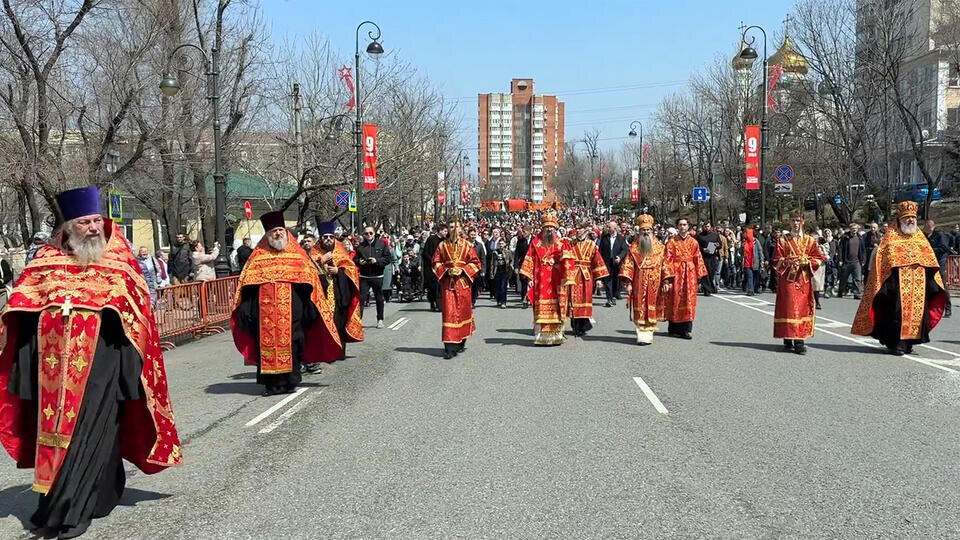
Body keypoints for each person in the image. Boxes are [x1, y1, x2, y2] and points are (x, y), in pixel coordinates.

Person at [0, 186, 181, 538]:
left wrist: (131, 369)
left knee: (87, 434)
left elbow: (137, 312)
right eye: (85, 222)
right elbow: (19, 306)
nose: (94, 227)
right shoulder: (44, 262)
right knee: (52, 438)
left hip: (101, 366)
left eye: (97, 219)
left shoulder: (120, 260)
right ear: (68, 227)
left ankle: (71, 512)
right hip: (49, 371)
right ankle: (68, 500)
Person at [231, 211, 341, 395]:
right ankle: (271, 385)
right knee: (265, 346)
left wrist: (309, 306)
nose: (278, 234)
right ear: (267, 234)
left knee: (293, 344)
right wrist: (246, 309)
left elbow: (311, 280)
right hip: (263, 315)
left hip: (293, 310)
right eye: (274, 231)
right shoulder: (257, 258)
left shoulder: (298, 256)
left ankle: (290, 382)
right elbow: (247, 286)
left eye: (281, 230)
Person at [853, 202, 949, 355]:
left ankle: (909, 343)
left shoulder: (920, 239)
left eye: (912, 217)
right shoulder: (891, 237)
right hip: (896, 285)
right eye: (907, 217)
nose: (910, 220)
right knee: (896, 314)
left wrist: (932, 282)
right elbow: (883, 260)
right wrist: (887, 284)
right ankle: (896, 344)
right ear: (900, 219)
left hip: (919, 285)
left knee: (918, 316)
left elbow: (930, 260)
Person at [309, 220, 363, 366]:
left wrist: (338, 271)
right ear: (320, 238)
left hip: (339, 292)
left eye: (330, 237)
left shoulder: (340, 251)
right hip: (321, 294)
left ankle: (338, 351)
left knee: (338, 321)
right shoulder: (313, 252)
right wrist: (320, 261)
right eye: (325, 237)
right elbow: (306, 271)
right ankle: (324, 352)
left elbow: (351, 269)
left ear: (334, 238)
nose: (328, 240)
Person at [772, 212, 825, 355]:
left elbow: (819, 258)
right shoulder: (783, 240)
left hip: (803, 280)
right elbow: (776, 260)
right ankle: (788, 336)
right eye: (793, 221)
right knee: (789, 307)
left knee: (801, 308)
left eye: (798, 221)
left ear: (802, 222)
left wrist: (807, 262)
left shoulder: (809, 240)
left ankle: (799, 341)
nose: (796, 223)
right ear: (789, 223)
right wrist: (789, 262)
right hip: (788, 280)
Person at [519, 211, 575, 346]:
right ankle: (541, 336)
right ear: (542, 228)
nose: (549, 229)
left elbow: (569, 261)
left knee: (557, 307)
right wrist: (529, 277)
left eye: (552, 227)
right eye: (547, 227)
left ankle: (557, 335)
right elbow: (529, 260)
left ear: (555, 228)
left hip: (557, 280)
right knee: (541, 307)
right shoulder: (535, 243)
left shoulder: (562, 243)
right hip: (540, 280)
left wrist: (567, 276)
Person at [432, 217, 482, 359]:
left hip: (463, 283)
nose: (454, 229)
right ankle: (449, 347)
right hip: (448, 284)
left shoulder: (466, 245)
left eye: (456, 227)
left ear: (460, 229)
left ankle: (461, 341)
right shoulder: (442, 246)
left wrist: (463, 270)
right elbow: (435, 262)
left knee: (463, 312)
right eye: (451, 227)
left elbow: (476, 263)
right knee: (449, 313)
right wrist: (446, 271)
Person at [619, 214, 667, 345]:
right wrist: (628, 283)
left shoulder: (661, 248)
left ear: (652, 231)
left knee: (652, 306)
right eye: (643, 230)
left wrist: (666, 281)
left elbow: (666, 265)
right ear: (639, 231)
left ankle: (649, 331)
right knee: (640, 307)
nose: (646, 232)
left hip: (655, 283)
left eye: (648, 230)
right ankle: (641, 333)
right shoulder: (633, 248)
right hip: (638, 282)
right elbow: (628, 265)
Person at [660, 217, 707, 339]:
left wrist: (699, 275)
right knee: (675, 298)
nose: (682, 227)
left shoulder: (693, 242)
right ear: (677, 226)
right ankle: (674, 327)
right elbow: (667, 259)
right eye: (680, 225)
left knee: (688, 300)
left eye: (684, 225)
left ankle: (686, 329)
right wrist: (667, 277)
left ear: (688, 226)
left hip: (690, 273)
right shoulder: (672, 242)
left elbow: (698, 258)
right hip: (676, 273)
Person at [568, 222, 608, 336]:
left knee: (585, 299)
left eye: (580, 228)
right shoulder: (571, 243)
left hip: (586, 276)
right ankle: (575, 325)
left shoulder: (591, 245)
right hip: (573, 274)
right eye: (577, 228)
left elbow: (597, 262)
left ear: (585, 230)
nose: (578, 230)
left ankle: (584, 324)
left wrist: (599, 279)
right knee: (573, 299)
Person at [355, 226, 392, 328]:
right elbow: (355, 259)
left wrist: (377, 261)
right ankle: (359, 320)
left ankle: (380, 319)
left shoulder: (382, 244)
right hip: (364, 276)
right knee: (361, 299)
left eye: (370, 233)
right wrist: (359, 262)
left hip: (377, 275)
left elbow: (388, 258)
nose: (369, 235)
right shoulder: (361, 246)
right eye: (366, 234)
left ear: (374, 233)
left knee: (379, 298)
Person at [924, 219, 954, 318]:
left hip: (939, 265)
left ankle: (948, 309)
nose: (925, 227)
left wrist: (930, 250)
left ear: (932, 226)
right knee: (928, 287)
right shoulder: (924, 236)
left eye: (927, 225)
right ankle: (930, 309)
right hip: (927, 265)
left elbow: (944, 248)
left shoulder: (940, 235)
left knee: (943, 286)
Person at [599, 220, 628, 307]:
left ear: (614, 228)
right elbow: (600, 250)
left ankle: (614, 295)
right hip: (607, 262)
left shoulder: (621, 238)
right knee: (608, 280)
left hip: (616, 262)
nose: (608, 228)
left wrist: (619, 257)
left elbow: (624, 250)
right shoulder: (604, 238)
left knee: (615, 280)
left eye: (609, 227)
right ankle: (609, 298)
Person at [421, 223, 447, 312]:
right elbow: (425, 253)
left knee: (440, 286)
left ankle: (440, 304)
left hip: (442, 267)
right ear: (440, 231)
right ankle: (432, 302)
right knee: (432, 286)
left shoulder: (445, 241)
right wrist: (433, 260)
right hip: (431, 267)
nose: (446, 233)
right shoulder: (431, 239)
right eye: (445, 231)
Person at [838, 224, 864, 299]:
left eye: (855, 228)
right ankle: (841, 291)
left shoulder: (860, 238)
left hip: (856, 261)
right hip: (846, 261)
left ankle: (857, 293)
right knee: (843, 278)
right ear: (850, 229)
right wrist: (840, 259)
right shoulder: (845, 237)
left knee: (857, 278)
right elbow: (840, 249)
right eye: (852, 228)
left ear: (857, 229)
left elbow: (863, 250)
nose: (854, 230)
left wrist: (862, 260)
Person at [487, 227, 511, 309]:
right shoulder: (495, 252)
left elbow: (510, 262)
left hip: (504, 271)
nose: (501, 245)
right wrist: (491, 272)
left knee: (503, 287)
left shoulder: (508, 252)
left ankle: (503, 301)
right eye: (500, 244)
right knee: (497, 286)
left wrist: (510, 271)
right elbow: (492, 263)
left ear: (505, 244)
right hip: (497, 270)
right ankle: (498, 300)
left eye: (502, 244)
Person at [696, 222, 721, 295]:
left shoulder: (715, 235)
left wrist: (717, 245)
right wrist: (703, 249)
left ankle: (711, 287)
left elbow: (720, 245)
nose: (707, 228)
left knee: (711, 273)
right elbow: (697, 247)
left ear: (711, 227)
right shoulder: (699, 236)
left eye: (708, 226)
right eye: (705, 226)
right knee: (705, 273)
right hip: (703, 257)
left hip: (712, 257)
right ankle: (707, 290)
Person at [741, 227, 764, 295]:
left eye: (745, 233)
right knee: (749, 276)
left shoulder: (755, 241)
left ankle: (753, 288)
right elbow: (741, 253)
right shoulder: (744, 242)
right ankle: (750, 290)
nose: (743, 234)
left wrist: (761, 260)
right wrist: (742, 247)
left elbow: (760, 251)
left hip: (755, 261)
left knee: (755, 276)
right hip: (747, 262)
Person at [468, 226, 487, 307]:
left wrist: (483, 270)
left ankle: (473, 300)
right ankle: (468, 301)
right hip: (467, 269)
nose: (473, 236)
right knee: (468, 286)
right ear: (468, 235)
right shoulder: (465, 244)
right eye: (471, 235)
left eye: (474, 235)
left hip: (476, 270)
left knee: (475, 286)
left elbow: (483, 258)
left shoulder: (479, 245)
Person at [514, 225, 532, 308]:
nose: (523, 233)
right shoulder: (520, 241)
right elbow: (516, 255)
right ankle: (524, 299)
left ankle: (531, 299)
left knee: (532, 283)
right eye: (523, 231)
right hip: (523, 264)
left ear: (530, 231)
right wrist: (516, 267)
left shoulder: (535, 240)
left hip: (533, 264)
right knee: (524, 282)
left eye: (525, 231)